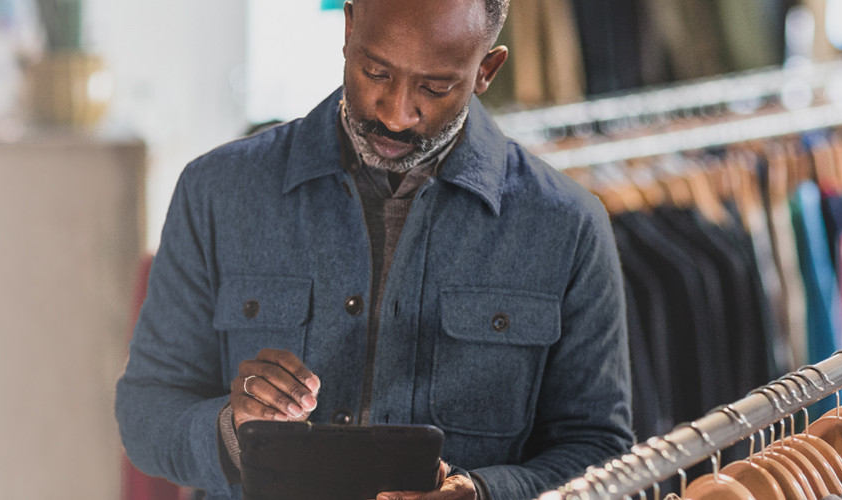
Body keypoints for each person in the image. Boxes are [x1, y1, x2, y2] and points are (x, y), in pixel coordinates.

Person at [115, 0, 633, 498]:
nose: (396, 114)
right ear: (347, 29)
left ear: (486, 71)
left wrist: (484, 494)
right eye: (376, 72)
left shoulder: (569, 226)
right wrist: (234, 431)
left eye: (434, 86)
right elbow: (145, 413)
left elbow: (600, 451)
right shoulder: (217, 191)